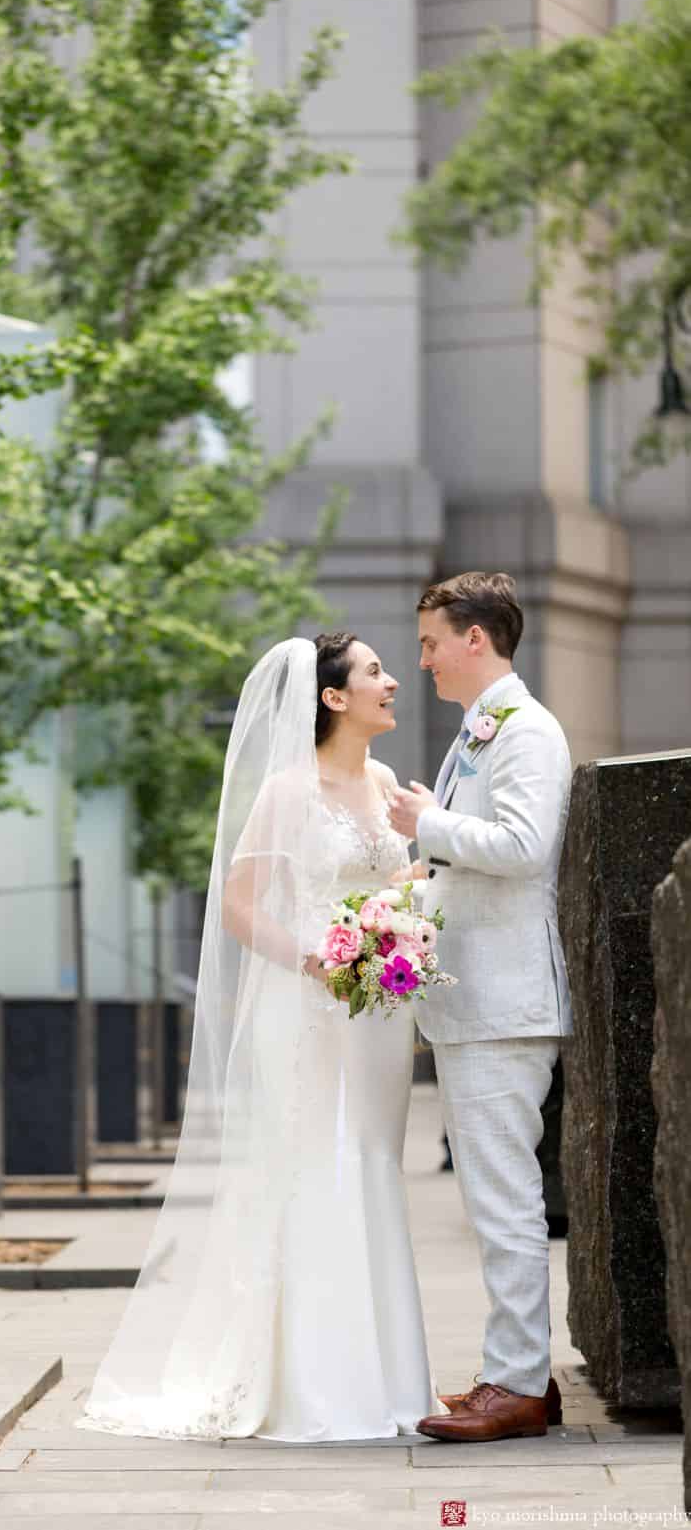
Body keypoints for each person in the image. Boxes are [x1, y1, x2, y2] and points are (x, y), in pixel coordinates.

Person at [76, 632, 450, 1442]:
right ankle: (317, 1387)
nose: (392, 683)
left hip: (378, 1008)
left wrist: (412, 904)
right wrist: (312, 957)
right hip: (309, 1002)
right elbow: (240, 905)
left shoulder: (385, 782)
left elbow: (391, 882)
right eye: (375, 672)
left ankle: (392, 1379)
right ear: (333, 698)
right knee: (318, 1164)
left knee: (375, 1162)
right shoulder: (287, 791)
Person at [388, 571, 573, 1443]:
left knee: (504, 1199)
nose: (420, 660)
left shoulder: (526, 730)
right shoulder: (477, 731)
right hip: (478, 1000)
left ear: (475, 637)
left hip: (505, 1002)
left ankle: (521, 1386)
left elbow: (526, 847)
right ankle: (516, 1369)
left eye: (430, 642)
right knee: (491, 1196)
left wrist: (427, 823)